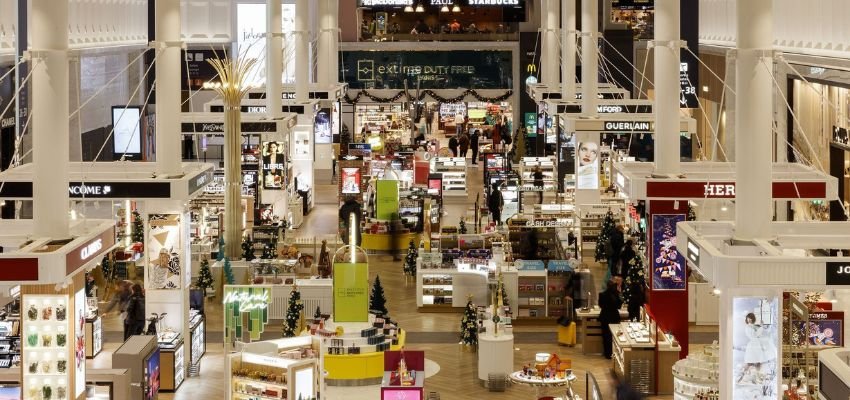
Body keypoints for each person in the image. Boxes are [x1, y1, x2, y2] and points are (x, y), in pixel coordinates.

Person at [598, 280, 623, 359]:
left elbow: (601, 305)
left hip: (605, 317)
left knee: (606, 336)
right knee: (615, 336)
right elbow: (619, 306)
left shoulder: (602, 294)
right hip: (614, 317)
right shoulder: (616, 295)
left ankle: (607, 354)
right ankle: (614, 353)